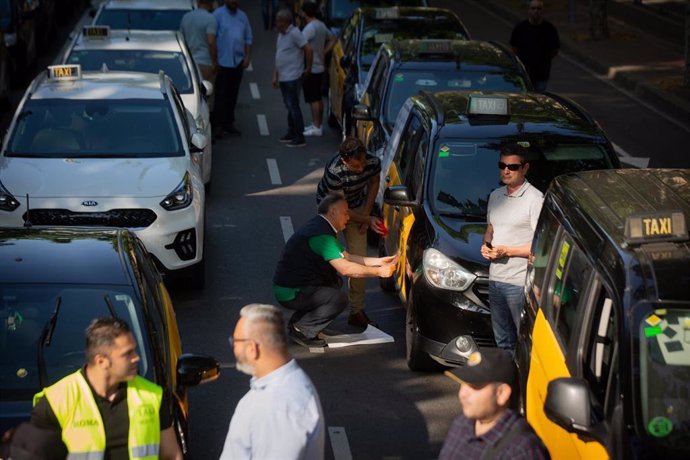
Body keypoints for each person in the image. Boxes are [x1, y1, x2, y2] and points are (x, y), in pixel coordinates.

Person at [30, 318, 182, 459]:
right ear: (101, 361)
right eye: (127, 354)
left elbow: (171, 455)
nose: (136, 357)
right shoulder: (55, 402)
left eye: (134, 350)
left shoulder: (151, 396)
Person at [273, 192, 397, 347]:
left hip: (292, 286)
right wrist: (379, 272)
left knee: (333, 284)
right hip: (290, 291)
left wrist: (379, 261)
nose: (348, 217)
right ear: (333, 213)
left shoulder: (321, 226)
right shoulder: (323, 237)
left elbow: (348, 257)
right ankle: (303, 329)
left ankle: (299, 323)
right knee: (338, 299)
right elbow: (345, 268)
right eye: (345, 213)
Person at [220, 303, 325, 459]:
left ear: (251, 348)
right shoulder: (285, 385)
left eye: (235, 341)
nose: (233, 348)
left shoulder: (277, 408)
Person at [316, 137, 385, 329]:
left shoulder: (372, 162)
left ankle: (357, 311)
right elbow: (341, 208)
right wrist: (366, 220)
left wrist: (366, 213)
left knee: (359, 258)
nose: (361, 169)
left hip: (357, 207)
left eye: (363, 162)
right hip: (332, 211)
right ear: (344, 160)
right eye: (356, 167)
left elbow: (374, 184)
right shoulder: (334, 171)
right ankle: (322, 309)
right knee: (332, 261)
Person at [481, 145, 543, 352]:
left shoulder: (535, 199)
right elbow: (490, 229)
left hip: (518, 283)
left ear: (525, 168)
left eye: (512, 167)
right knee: (502, 341)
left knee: (524, 340)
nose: (506, 170)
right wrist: (486, 245)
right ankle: (508, 383)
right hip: (495, 279)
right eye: (502, 165)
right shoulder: (496, 196)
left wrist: (506, 251)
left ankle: (524, 383)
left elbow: (540, 246)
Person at [439, 348, 549, 459]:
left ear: (501, 394)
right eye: (462, 384)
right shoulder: (461, 423)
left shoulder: (521, 450)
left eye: (474, 386)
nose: (462, 394)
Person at [273, 8, 313, 148]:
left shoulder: (294, 33)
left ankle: (299, 135)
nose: (276, 23)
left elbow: (308, 48)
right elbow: (279, 54)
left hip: (293, 76)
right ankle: (291, 132)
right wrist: (275, 75)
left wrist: (308, 68)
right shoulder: (281, 34)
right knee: (289, 106)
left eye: (279, 21)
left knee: (293, 106)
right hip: (284, 76)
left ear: (285, 22)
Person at [213, 0, 252, 138]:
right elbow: (212, 38)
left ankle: (229, 123)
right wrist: (215, 59)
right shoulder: (217, 15)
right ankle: (218, 126)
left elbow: (248, 38)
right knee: (220, 95)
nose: (234, 2)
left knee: (233, 94)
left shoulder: (243, 17)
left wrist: (247, 57)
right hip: (222, 62)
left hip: (237, 62)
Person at [301, 1, 335, 137]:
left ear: (304, 13)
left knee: (313, 98)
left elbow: (302, 44)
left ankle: (316, 126)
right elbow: (333, 38)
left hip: (313, 67)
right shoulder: (321, 25)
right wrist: (323, 52)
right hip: (320, 65)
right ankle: (318, 124)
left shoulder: (309, 28)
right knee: (318, 97)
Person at [510, 0, 559, 92]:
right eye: (533, 8)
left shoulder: (549, 29)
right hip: (524, 72)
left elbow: (554, 50)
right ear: (529, 10)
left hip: (542, 73)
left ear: (542, 11)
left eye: (538, 8)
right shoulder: (520, 28)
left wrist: (544, 59)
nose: (536, 11)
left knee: (538, 96)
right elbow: (514, 48)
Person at [180, 0, 218, 112]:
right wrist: (214, 62)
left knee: (192, 95)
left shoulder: (186, 17)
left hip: (188, 63)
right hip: (205, 63)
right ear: (211, 3)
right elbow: (211, 42)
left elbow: (181, 39)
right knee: (206, 96)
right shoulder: (210, 19)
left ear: (197, 2)